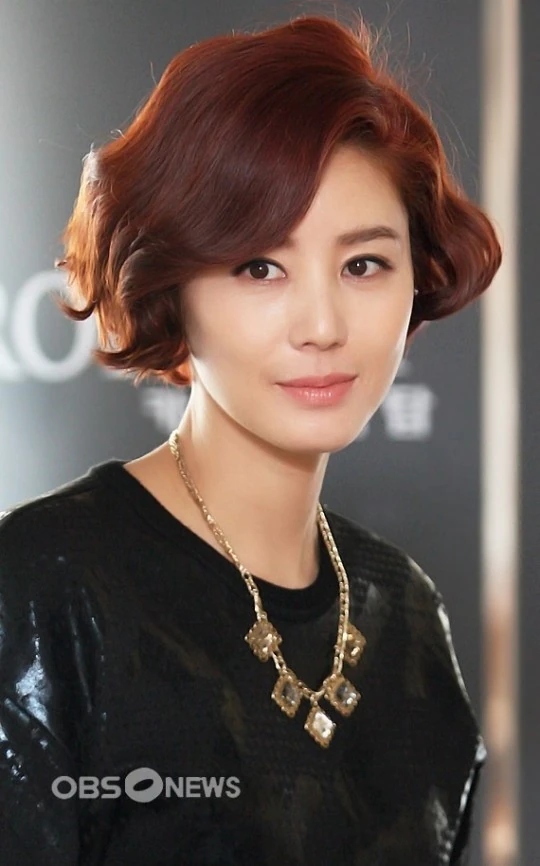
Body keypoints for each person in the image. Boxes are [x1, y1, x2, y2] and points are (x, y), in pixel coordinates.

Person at [0, 12, 501, 866]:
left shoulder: (408, 617)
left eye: (364, 264)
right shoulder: (45, 590)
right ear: (172, 284)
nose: (322, 325)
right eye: (259, 267)